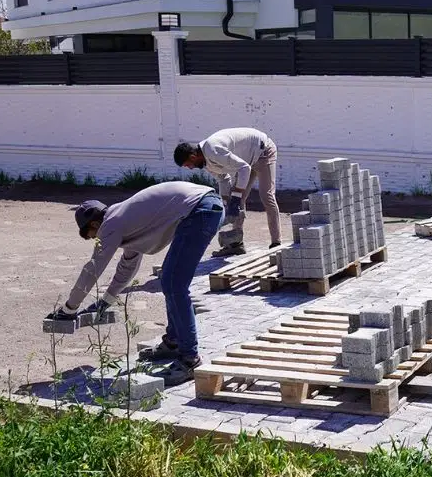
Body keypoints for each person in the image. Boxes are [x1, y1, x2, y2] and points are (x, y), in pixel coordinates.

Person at [44, 181, 225, 380]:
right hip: (203, 206)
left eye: (91, 236)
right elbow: (126, 269)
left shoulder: (111, 224)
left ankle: (190, 360)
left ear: (94, 225)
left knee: (174, 284)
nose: (94, 240)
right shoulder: (126, 222)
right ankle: (173, 343)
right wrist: (105, 302)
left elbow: (93, 268)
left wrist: (68, 310)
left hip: (201, 210)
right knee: (170, 280)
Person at [174, 127, 281, 257]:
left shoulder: (213, 150)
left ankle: (276, 243)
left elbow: (244, 168)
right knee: (237, 201)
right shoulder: (205, 161)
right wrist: (225, 203)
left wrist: (235, 198)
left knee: (266, 195)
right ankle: (237, 245)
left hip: (263, 152)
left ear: (193, 156)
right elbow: (223, 179)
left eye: (188, 165)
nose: (190, 168)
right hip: (247, 160)